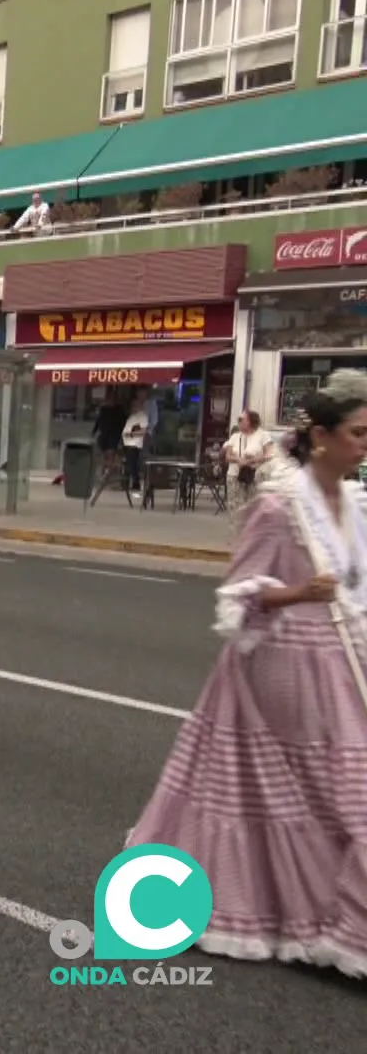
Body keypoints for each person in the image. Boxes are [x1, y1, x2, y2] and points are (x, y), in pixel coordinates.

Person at [129, 372, 367, 978]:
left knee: (335, 790)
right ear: (320, 436)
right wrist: (296, 593)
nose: (365, 445)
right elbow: (238, 595)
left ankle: (326, 919)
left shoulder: (356, 503)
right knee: (333, 791)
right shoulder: (277, 505)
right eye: (358, 433)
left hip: (340, 658)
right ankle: (329, 923)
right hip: (282, 658)